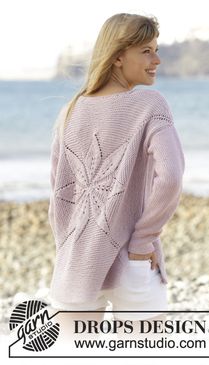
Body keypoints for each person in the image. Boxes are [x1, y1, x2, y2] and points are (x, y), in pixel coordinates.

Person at [47, 13, 185, 337]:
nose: (157, 60)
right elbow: (172, 176)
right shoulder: (151, 103)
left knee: (72, 357)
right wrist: (142, 240)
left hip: (76, 260)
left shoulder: (71, 110)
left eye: (156, 49)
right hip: (133, 260)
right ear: (119, 56)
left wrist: (67, 245)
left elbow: (59, 192)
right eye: (147, 51)